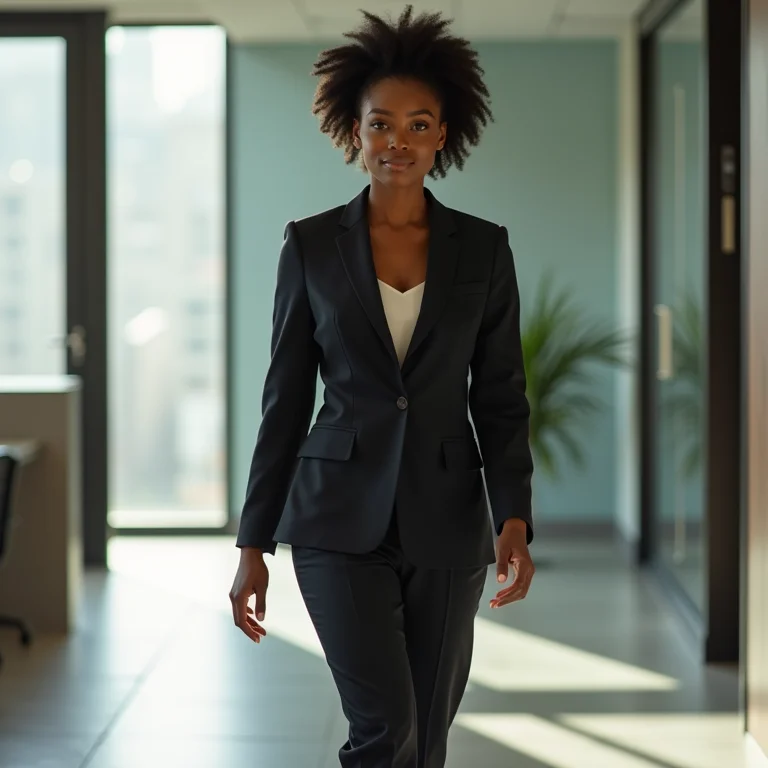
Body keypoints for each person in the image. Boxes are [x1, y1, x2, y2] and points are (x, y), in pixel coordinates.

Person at [229, 5, 535, 767]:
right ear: (354, 131)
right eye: (381, 124)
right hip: (334, 519)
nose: (398, 140)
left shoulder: (484, 250)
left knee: (426, 737)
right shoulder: (310, 245)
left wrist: (514, 516)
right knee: (385, 728)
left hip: (448, 520)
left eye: (418, 125)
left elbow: (500, 395)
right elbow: (285, 400)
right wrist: (253, 542)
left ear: (443, 136)